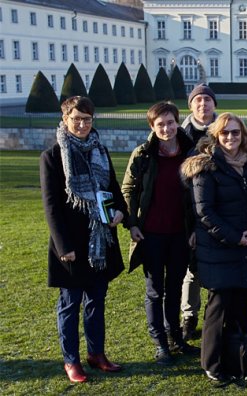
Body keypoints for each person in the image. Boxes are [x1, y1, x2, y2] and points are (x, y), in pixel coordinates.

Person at [41, 96, 127, 383]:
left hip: (100, 239)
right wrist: (63, 246)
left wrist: (120, 212)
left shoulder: (99, 150)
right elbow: (51, 205)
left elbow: (113, 187)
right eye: (76, 119)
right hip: (72, 244)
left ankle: (96, 354)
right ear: (65, 119)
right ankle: (71, 361)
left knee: (96, 301)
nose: (81, 124)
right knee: (70, 303)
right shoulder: (54, 155)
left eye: (87, 119)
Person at [180, 112, 247, 387]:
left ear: (244, 135)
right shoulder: (206, 166)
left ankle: (235, 359)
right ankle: (212, 364)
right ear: (216, 136)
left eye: (235, 132)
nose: (230, 137)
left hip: (245, 247)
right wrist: (236, 237)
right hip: (218, 247)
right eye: (225, 133)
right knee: (218, 308)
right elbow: (205, 212)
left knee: (240, 307)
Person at [122, 101, 199, 366]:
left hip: (180, 233)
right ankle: (160, 343)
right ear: (152, 127)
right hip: (151, 233)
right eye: (160, 124)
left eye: (170, 122)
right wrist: (132, 224)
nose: (166, 128)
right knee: (155, 290)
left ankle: (175, 337)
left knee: (175, 288)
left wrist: (195, 230)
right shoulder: (143, 154)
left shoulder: (190, 152)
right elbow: (129, 190)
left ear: (178, 122)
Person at [180, 83, 218, 341]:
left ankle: (214, 316)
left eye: (207, 100)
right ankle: (188, 316)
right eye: (198, 100)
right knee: (190, 272)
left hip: (218, 210)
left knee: (218, 267)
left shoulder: (224, 129)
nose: (203, 104)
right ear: (191, 105)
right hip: (188, 210)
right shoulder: (181, 134)